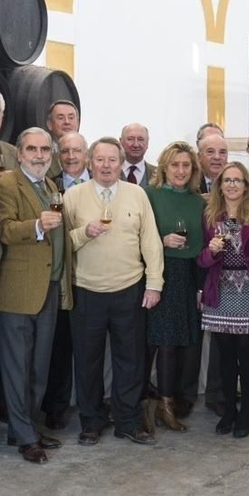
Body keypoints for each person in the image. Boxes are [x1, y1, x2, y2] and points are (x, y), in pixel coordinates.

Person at [66, 136, 164, 446]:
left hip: (129, 290)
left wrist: (154, 284)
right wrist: (84, 232)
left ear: (121, 163)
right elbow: (61, 244)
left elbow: (151, 241)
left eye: (112, 159)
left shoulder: (137, 195)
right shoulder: (73, 196)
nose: (106, 165)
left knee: (130, 360)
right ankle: (91, 422)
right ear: (89, 162)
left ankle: (128, 421)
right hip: (86, 291)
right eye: (100, 159)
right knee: (87, 361)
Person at [0, 128, 71, 462]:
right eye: (32, 149)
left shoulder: (50, 185)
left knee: (39, 366)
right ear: (19, 153)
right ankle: (24, 436)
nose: (39, 155)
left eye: (44, 150)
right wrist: (38, 226)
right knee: (17, 367)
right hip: (18, 290)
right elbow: (6, 230)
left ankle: (25, 428)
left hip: (48, 289)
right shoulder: (5, 184)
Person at [198, 163, 249, 437]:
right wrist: (211, 252)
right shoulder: (211, 215)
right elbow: (202, 260)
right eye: (227, 180)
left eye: (238, 180)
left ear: (247, 186)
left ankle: (246, 411)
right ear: (219, 185)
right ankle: (229, 412)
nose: (232, 185)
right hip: (220, 292)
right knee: (224, 356)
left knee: (247, 354)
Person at [144, 141, 205, 432]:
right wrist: (162, 240)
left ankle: (179, 399)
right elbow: (138, 235)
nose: (180, 171)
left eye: (186, 165)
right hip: (162, 274)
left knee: (186, 343)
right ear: (163, 168)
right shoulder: (149, 196)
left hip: (190, 274)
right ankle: (163, 406)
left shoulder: (199, 201)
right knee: (165, 342)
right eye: (174, 165)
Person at [41, 131, 89, 429]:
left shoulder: (101, 185)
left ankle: (90, 403)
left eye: (77, 151)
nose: (71, 157)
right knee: (59, 347)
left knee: (90, 347)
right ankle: (56, 406)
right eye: (66, 151)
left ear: (87, 154)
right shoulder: (49, 186)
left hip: (92, 279)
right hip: (61, 280)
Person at [197, 131, 230, 195]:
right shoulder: (190, 182)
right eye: (210, 152)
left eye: (222, 152)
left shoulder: (236, 181)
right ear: (199, 157)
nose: (217, 157)